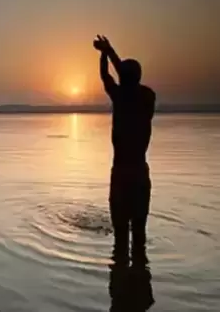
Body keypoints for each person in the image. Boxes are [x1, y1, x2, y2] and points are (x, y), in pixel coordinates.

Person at [93, 35, 156, 265]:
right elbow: (121, 75)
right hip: (140, 172)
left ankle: (121, 294)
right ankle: (141, 289)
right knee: (139, 236)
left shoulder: (119, 96)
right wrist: (110, 51)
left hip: (121, 174)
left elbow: (106, 75)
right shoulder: (148, 96)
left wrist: (105, 53)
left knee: (121, 238)